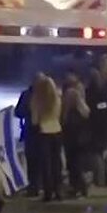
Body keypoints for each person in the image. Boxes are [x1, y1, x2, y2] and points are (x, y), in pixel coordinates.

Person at [29, 74, 64, 203]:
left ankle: (48, 192)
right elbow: (60, 114)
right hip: (57, 130)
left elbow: (34, 120)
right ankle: (58, 190)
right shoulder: (57, 98)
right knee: (57, 163)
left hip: (44, 132)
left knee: (46, 164)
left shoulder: (37, 99)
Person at [60, 74, 91, 199]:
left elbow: (65, 121)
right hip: (80, 140)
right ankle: (81, 188)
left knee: (74, 165)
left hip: (72, 140)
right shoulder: (82, 111)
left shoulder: (69, 113)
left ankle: (77, 188)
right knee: (78, 164)